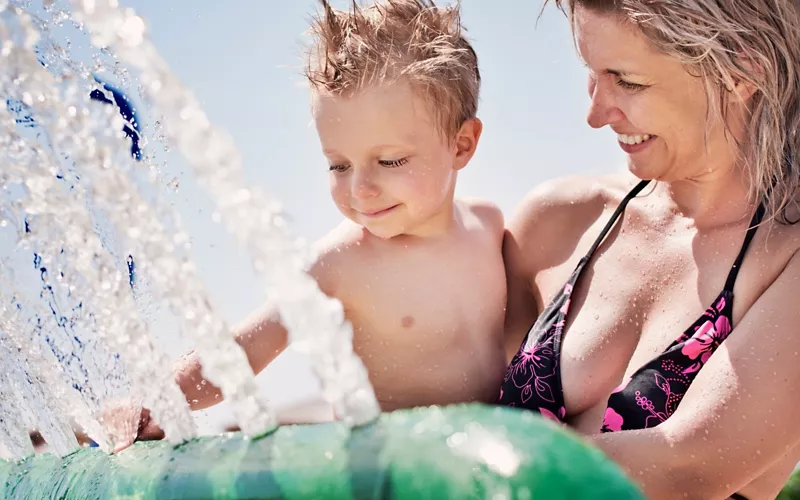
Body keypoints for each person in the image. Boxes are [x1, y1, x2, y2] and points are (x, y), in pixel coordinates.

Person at [111, 0, 507, 451]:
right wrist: (158, 401)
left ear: (462, 145)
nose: (360, 188)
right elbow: (243, 348)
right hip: (394, 468)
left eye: (389, 160)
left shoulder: (489, 228)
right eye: (338, 166)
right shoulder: (343, 261)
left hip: (487, 456)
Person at [499, 1, 800, 499]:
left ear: (743, 70)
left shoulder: (786, 259)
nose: (595, 114)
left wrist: (442, 452)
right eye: (592, 75)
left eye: (628, 81)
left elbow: (688, 467)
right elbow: (446, 383)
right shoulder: (560, 222)